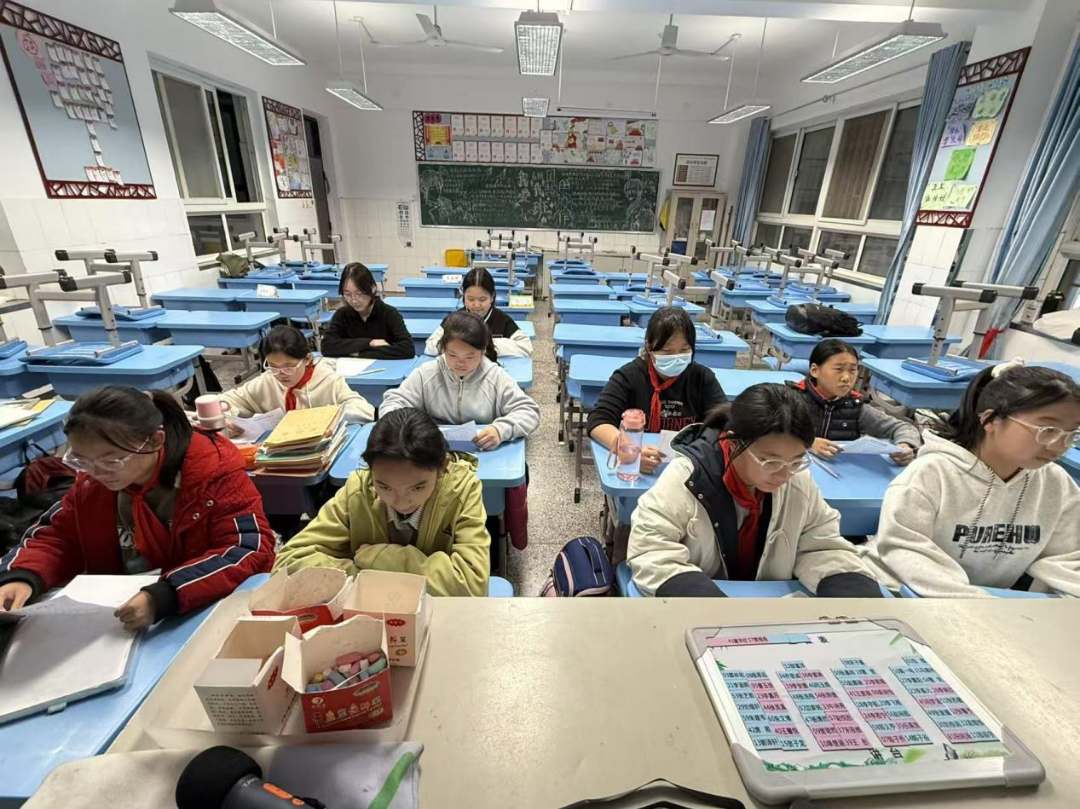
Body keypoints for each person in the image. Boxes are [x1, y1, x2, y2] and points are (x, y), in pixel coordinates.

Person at [0, 386, 274, 628]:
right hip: (119, 616)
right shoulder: (93, 483)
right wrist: (22, 576)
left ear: (155, 441)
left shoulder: (212, 475)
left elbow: (247, 548)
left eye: (111, 461)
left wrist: (166, 594)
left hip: (198, 611)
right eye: (81, 461)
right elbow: (56, 536)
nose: (97, 472)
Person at [627, 383, 882, 598]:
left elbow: (822, 546)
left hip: (767, 609)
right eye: (770, 461)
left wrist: (856, 592)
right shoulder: (688, 478)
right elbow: (652, 550)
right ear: (733, 442)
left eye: (796, 461)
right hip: (702, 610)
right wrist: (710, 606)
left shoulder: (797, 480)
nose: (784, 474)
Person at [863, 361, 1080, 597]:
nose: (1059, 445)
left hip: (977, 601)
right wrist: (977, 604)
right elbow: (905, 550)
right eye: (1047, 430)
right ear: (990, 421)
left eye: (1072, 434)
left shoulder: (1056, 483)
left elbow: (1068, 558)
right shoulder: (932, 473)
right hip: (893, 589)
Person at [273, 408, 489, 596]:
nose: (401, 502)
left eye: (417, 487)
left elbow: (472, 584)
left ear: (443, 468)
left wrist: (380, 558)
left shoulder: (462, 490)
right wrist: (367, 576)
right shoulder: (358, 489)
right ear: (370, 472)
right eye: (384, 487)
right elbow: (288, 563)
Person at [587, 306, 726, 475]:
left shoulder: (702, 378)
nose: (676, 357)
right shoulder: (629, 377)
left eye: (684, 350)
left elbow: (724, 423)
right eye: (666, 351)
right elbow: (598, 421)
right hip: (637, 472)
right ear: (649, 346)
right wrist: (629, 451)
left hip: (687, 470)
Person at [381, 310, 540, 451]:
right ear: (444, 349)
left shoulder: (495, 377)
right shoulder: (427, 373)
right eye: (452, 355)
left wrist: (500, 430)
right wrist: (409, 428)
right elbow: (393, 403)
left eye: (470, 356)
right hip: (433, 450)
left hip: (483, 449)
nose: (460, 363)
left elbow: (528, 411)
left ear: (483, 351)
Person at [222, 325, 374, 435]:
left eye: (289, 367)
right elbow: (226, 401)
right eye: (273, 366)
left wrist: (323, 416)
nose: (281, 374)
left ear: (307, 359)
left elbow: (365, 410)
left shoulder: (328, 380)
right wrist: (222, 418)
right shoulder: (268, 381)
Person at [791, 339, 920, 465]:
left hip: (839, 470)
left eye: (853, 370)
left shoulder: (855, 407)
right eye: (838, 369)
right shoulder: (792, 400)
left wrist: (905, 445)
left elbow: (903, 427)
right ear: (815, 371)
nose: (846, 378)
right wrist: (807, 443)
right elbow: (777, 434)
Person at [424, 268, 532, 360]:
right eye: (470, 299)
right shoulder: (454, 319)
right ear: (463, 296)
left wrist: (488, 345)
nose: (476, 305)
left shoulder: (502, 320)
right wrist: (460, 345)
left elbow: (525, 347)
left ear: (492, 296)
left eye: (482, 299)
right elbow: (430, 346)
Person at [322, 262, 415, 359]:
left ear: (372, 288)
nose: (353, 300)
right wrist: (369, 343)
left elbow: (407, 348)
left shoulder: (389, 314)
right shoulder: (342, 315)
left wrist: (358, 353)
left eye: (359, 294)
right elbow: (326, 346)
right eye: (348, 294)